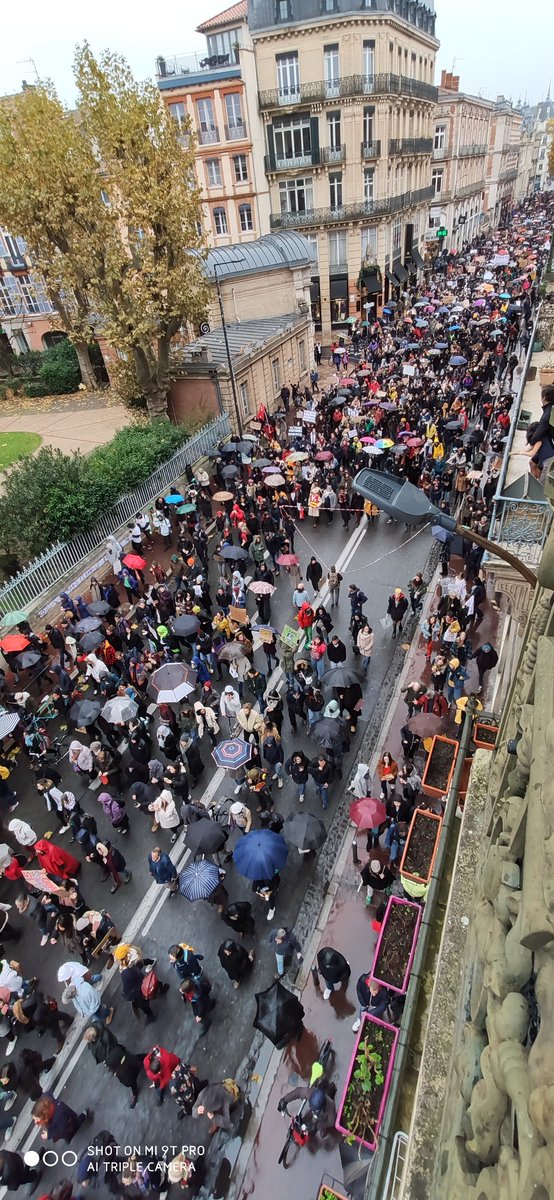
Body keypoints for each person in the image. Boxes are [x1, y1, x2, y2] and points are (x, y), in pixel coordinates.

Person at [105, 1042, 144, 1109]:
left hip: (127, 1071)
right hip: (129, 1065)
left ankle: (135, 1094)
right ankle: (148, 1058)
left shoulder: (111, 1063)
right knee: (138, 1060)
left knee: (132, 1082)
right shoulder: (117, 1051)